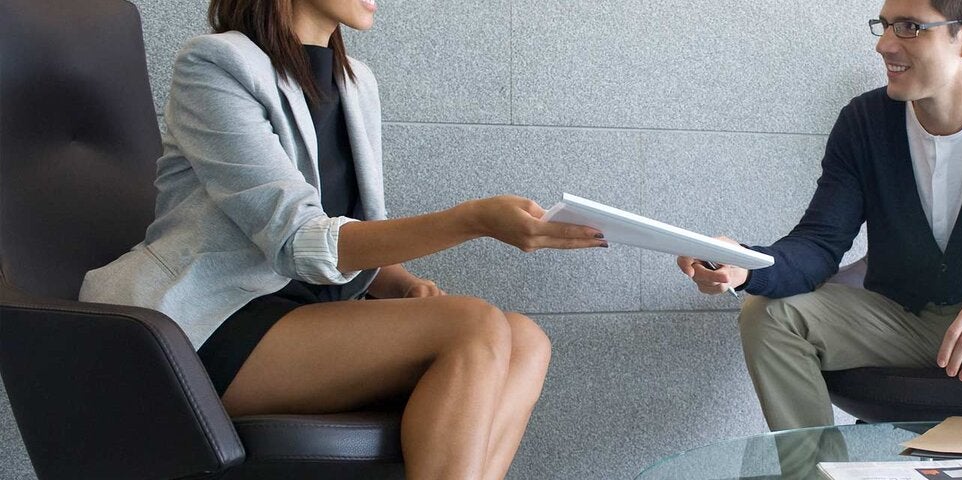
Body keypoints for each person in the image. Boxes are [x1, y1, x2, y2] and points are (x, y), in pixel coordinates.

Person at [77, 0, 606, 477]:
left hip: (314, 317)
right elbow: (300, 240)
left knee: (527, 340)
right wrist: (473, 221)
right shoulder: (216, 65)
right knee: (472, 324)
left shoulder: (356, 84)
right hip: (212, 326)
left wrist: (400, 285)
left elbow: (350, 226)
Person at [678, 0, 962, 431]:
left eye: (909, 27)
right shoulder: (864, 121)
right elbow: (819, 243)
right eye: (885, 25)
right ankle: (813, 468)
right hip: (893, 317)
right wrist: (746, 265)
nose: (884, 45)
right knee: (767, 316)